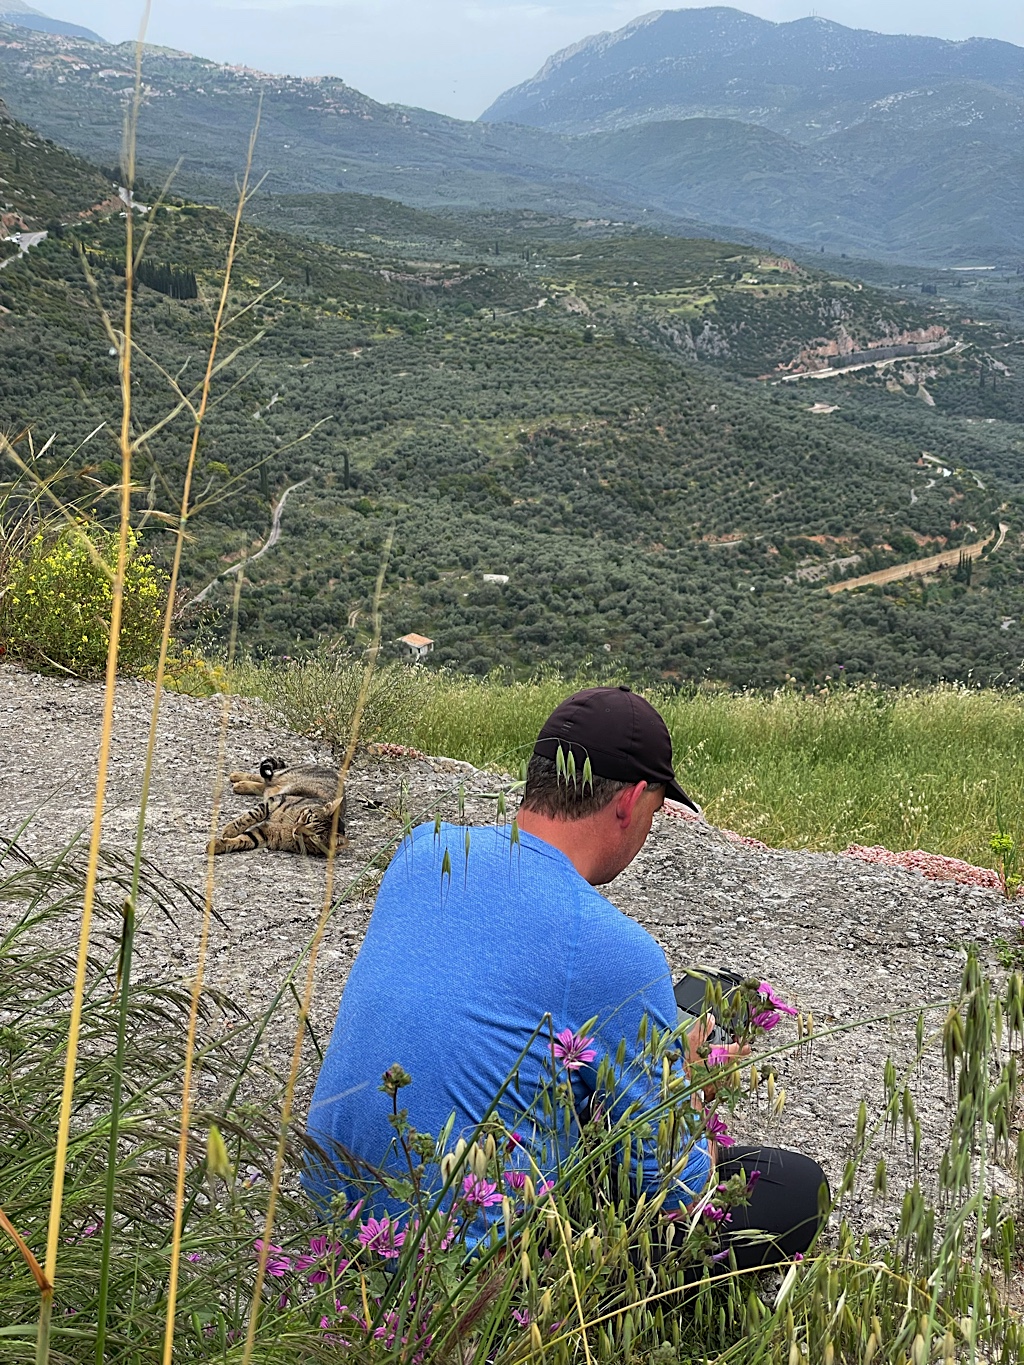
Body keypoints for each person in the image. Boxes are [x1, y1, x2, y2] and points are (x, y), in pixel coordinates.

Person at [303, 686, 827, 1265]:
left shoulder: (423, 850)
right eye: (654, 812)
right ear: (629, 802)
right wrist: (687, 1083)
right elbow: (673, 1189)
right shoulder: (617, 951)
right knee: (796, 1189)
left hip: (331, 1216)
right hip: (461, 1270)